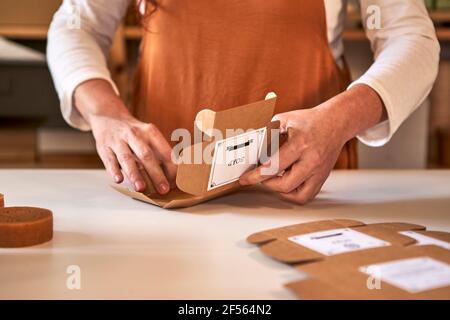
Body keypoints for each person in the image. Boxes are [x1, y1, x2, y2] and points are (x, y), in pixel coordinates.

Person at [47, 0, 439, 204]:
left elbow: (411, 39)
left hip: (305, 193)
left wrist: (341, 119)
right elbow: (75, 26)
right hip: (169, 191)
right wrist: (105, 114)